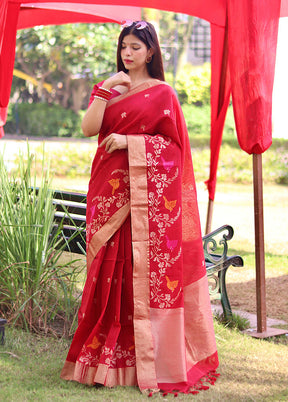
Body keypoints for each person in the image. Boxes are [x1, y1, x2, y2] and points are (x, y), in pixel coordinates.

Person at [60, 20, 219, 396]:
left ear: (151, 52)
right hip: (108, 196)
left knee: (139, 277)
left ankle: (144, 362)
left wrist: (130, 143)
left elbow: (176, 152)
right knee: (107, 275)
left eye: (135, 47)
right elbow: (88, 128)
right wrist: (104, 89)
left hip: (144, 205)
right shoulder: (111, 91)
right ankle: (101, 362)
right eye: (123, 47)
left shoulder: (163, 94)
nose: (127, 54)